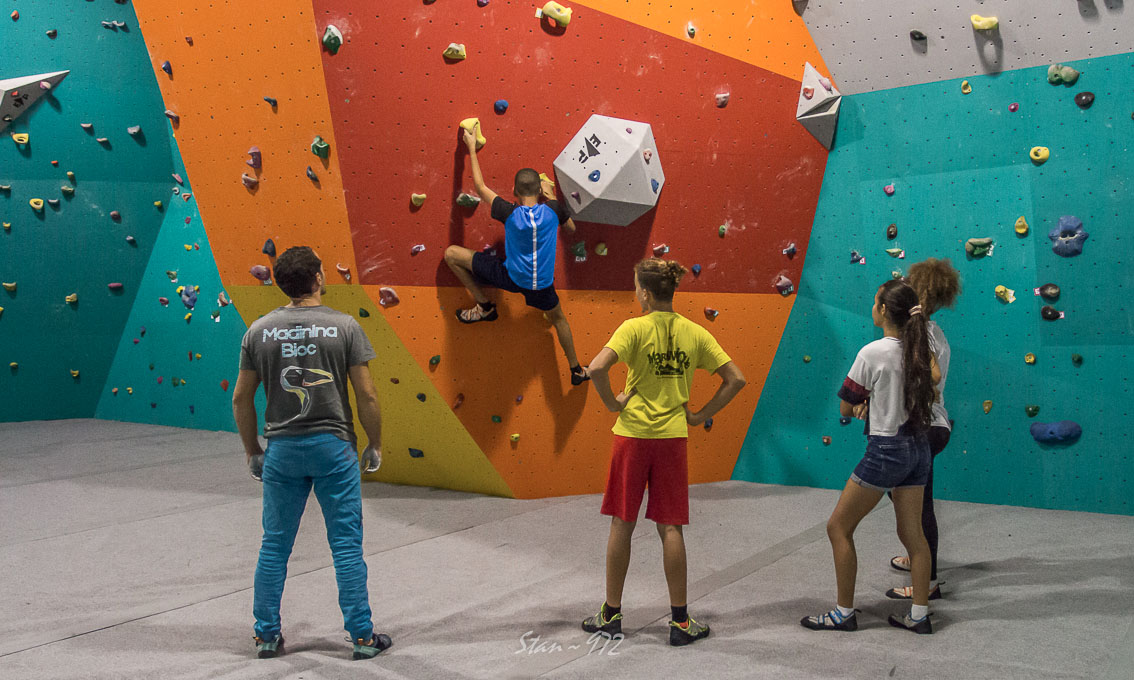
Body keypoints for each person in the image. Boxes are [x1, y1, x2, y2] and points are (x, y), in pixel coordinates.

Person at [232, 246, 392, 660]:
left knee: (274, 546)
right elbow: (367, 395)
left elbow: (240, 399)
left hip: (282, 451)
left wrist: (253, 450)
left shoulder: (258, 331)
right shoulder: (345, 327)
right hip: (333, 449)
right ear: (319, 278)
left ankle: (266, 635)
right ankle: (362, 637)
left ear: (282, 284)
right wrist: (375, 443)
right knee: (345, 545)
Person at [582, 258, 747, 646]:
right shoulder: (694, 332)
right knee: (670, 527)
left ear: (644, 292)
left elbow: (596, 368)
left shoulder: (633, 328)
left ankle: (610, 614)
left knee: (622, 522)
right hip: (672, 438)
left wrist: (613, 403)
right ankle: (680, 622)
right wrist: (701, 414)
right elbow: (736, 378)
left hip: (632, 436)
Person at [801, 278, 939, 635]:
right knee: (914, 535)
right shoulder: (920, 349)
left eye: (875, 301)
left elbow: (846, 405)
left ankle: (843, 613)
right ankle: (919, 616)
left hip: (886, 449)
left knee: (838, 527)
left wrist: (863, 405)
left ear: (882, 311)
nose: (872, 305)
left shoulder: (872, 352)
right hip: (918, 447)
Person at [443, 123, 590, 386]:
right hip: (542, 287)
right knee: (559, 320)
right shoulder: (553, 210)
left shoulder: (508, 212)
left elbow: (479, 186)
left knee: (452, 254)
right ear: (540, 190)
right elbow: (571, 229)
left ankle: (485, 306)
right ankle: (576, 369)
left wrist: (471, 149)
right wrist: (553, 196)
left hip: (510, 278)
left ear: (514, 192)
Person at [886, 259, 961, 601]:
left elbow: (922, 380)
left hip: (924, 428)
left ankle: (927, 580)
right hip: (936, 426)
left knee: (919, 504)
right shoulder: (937, 333)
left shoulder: (916, 337)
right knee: (903, 495)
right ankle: (918, 556)